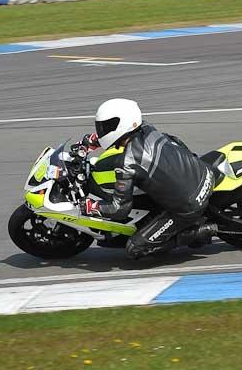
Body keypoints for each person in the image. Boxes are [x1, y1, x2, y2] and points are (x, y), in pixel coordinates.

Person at [78, 98, 219, 259]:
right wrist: (95, 141)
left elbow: (119, 210)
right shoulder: (147, 128)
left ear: (121, 125)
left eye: (106, 127)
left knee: (134, 249)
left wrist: (92, 207)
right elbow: (175, 140)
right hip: (202, 172)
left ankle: (198, 233)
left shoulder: (128, 162)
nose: (102, 131)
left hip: (188, 206)